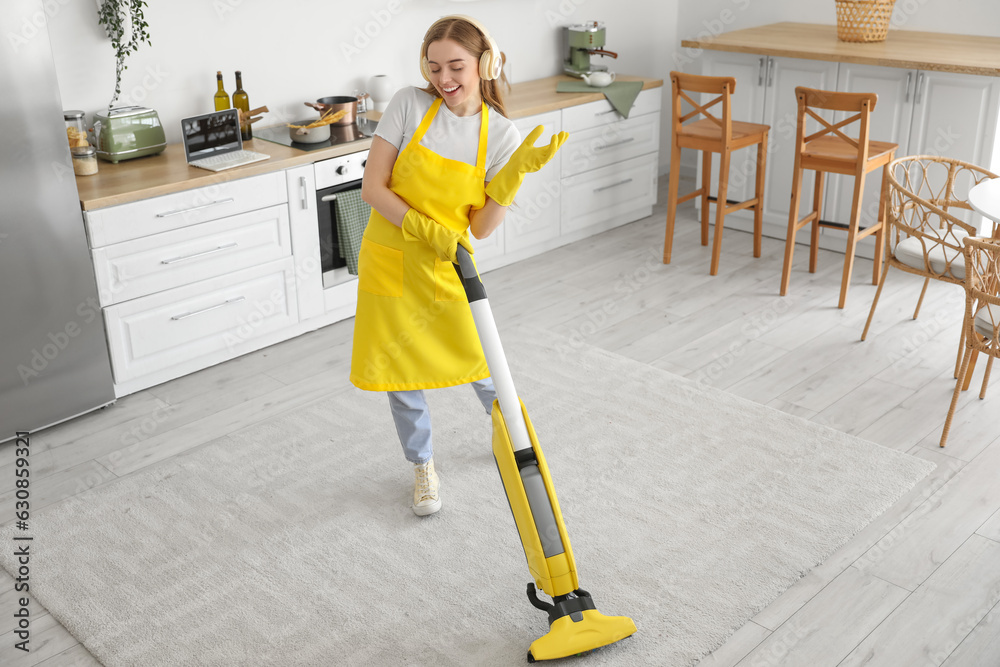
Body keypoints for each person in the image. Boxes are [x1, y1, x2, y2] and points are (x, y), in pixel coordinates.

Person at [351, 15, 567, 516]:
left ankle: (517, 443)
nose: (443, 79)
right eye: (434, 68)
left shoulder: (502, 135)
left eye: (455, 66)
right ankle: (422, 465)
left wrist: (509, 181)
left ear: (484, 65)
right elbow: (372, 188)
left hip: (450, 261)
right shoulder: (410, 104)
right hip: (393, 255)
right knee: (402, 373)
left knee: (483, 362)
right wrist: (425, 229)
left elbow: (484, 226)